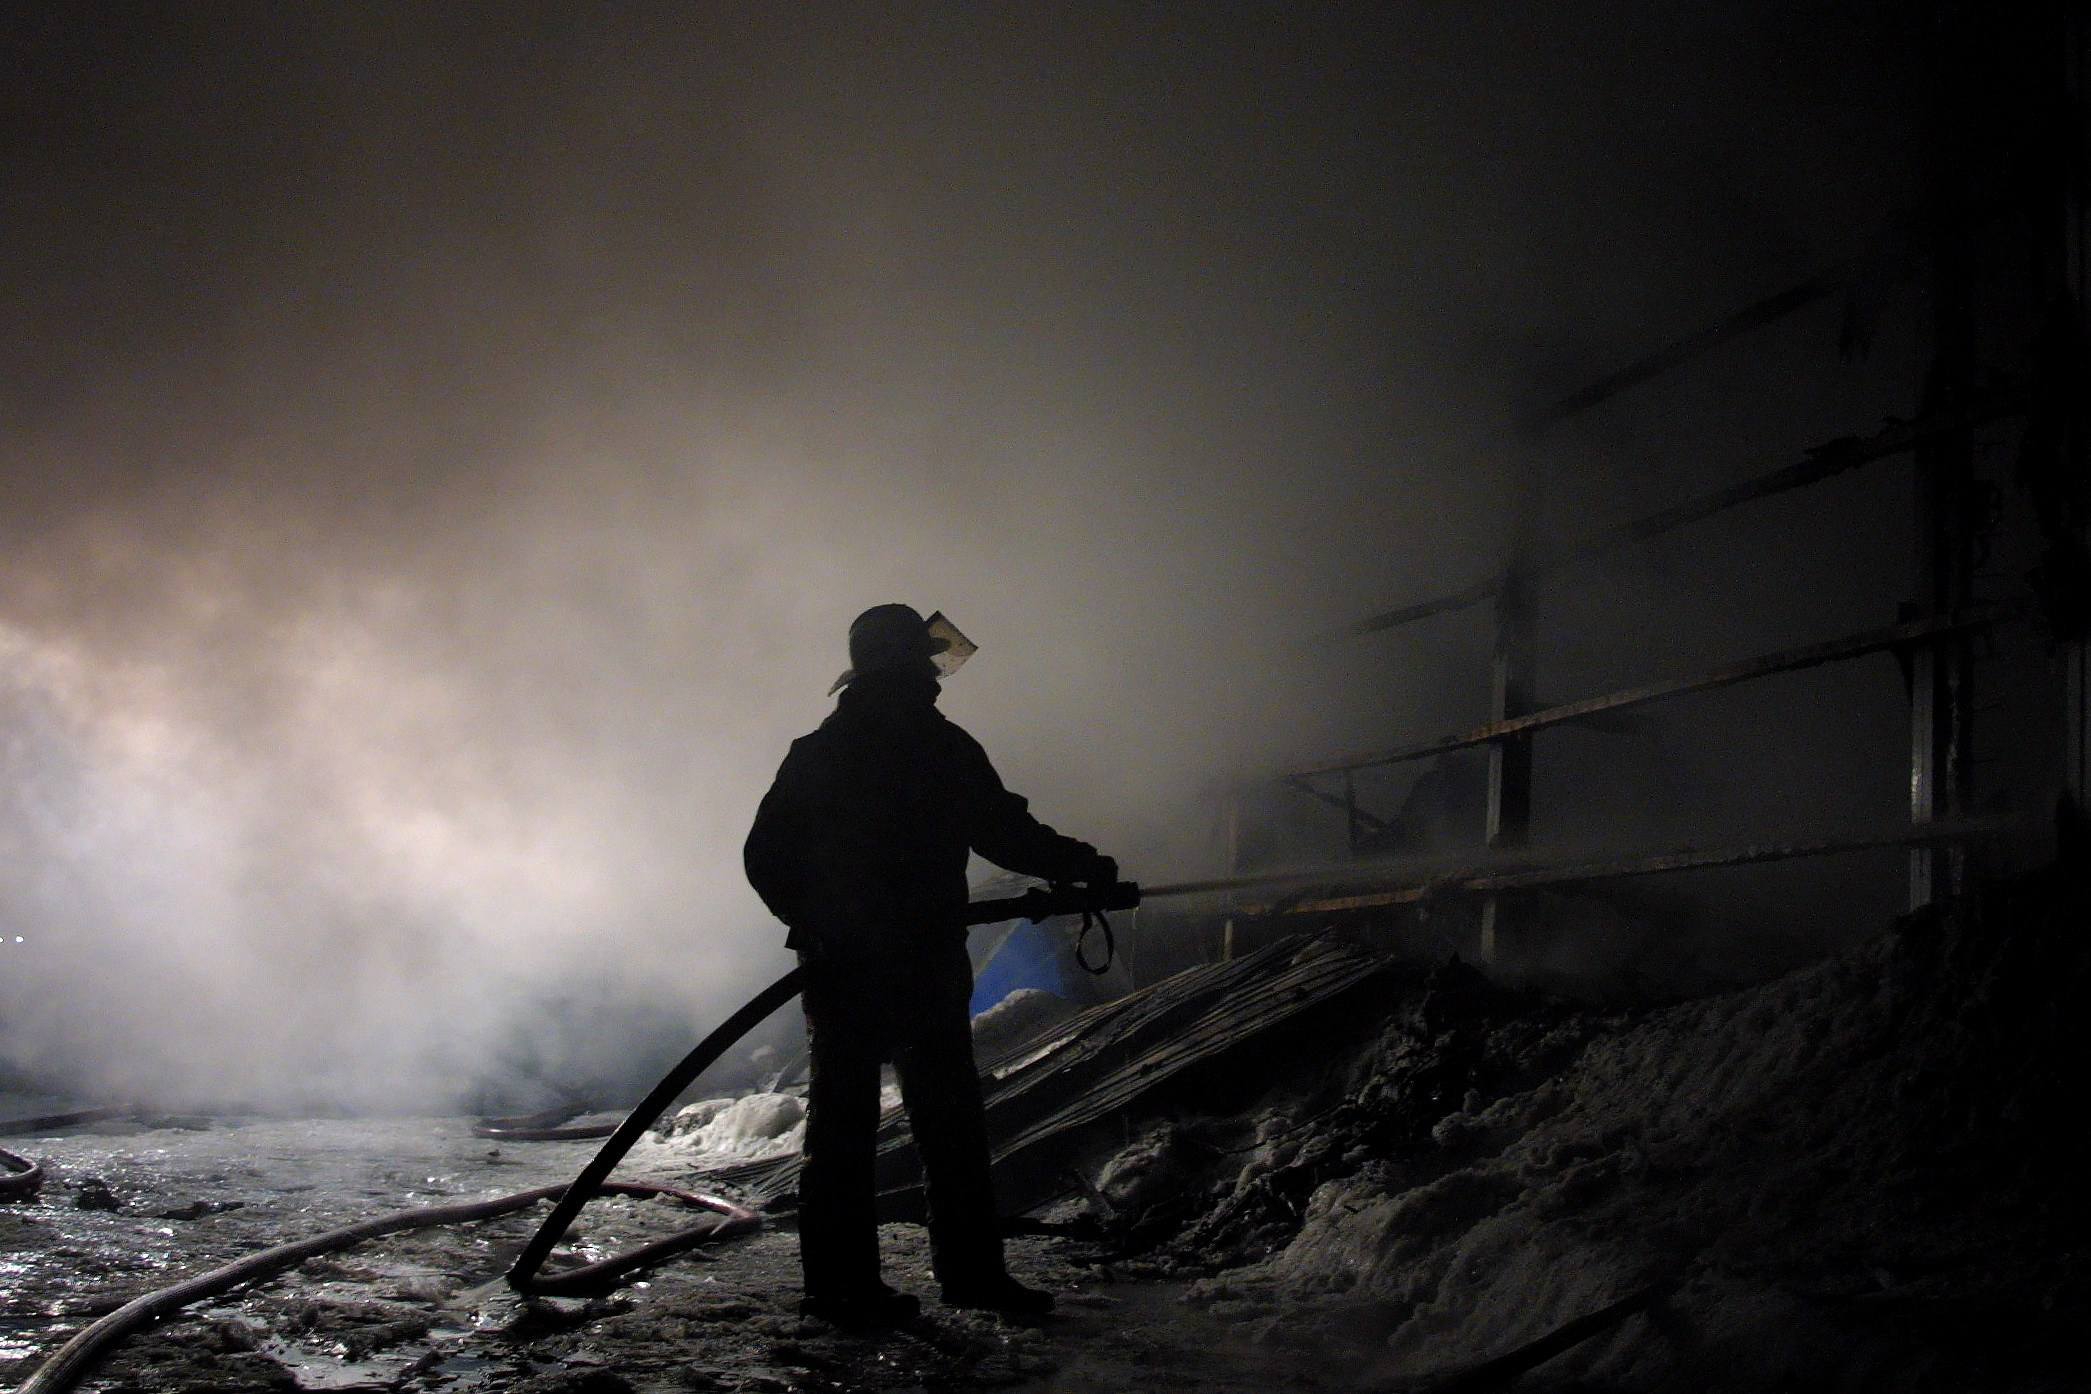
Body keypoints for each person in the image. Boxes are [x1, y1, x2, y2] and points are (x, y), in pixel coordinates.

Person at [744, 603, 1118, 1328]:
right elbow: (1006, 831)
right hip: (901, 963)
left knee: (854, 1126)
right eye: (923, 664)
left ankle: (849, 1285)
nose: (935, 680)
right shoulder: (930, 750)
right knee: (933, 1121)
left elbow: (767, 860)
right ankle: (960, 1276)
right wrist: (1081, 866)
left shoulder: (825, 754)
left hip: (865, 965)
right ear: (904, 667)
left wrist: (819, 926)